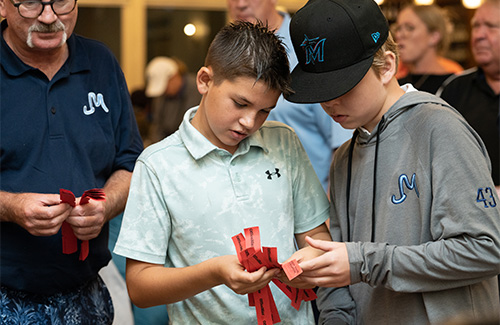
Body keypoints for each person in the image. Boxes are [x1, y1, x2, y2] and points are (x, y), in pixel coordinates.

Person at [282, 0, 500, 323]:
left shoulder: (439, 129)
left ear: (387, 67)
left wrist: (366, 261)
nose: (329, 102)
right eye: (321, 90)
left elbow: (485, 250)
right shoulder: (343, 157)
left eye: (343, 86)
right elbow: (340, 277)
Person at [113, 21, 332, 324]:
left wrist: (311, 262)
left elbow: (317, 236)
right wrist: (213, 273)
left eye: (264, 111)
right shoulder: (158, 165)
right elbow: (140, 287)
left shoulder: (284, 142)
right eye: (240, 103)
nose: (249, 122)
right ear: (205, 80)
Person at [0, 0, 143, 323]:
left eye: (62, 2)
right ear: (3, 5)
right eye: (31, 4)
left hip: (85, 294)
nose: (49, 17)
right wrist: (11, 207)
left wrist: (105, 205)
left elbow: (131, 163)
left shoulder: (100, 62)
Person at [226, 0, 353, 192]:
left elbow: (343, 144)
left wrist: (330, 212)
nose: (241, 4)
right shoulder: (229, 55)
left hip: (309, 206)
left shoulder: (311, 49)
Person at [437, 0, 500, 295]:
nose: (479, 35)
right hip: (470, 233)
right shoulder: (453, 89)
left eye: (491, 27)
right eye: (476, 26)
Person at [395, 4, 463, 94]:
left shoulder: (454, 85)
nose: (399, 35)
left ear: (434, 37)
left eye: (410, 28)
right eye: (398, 28)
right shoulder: (396, 84)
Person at [145, 56, 202, 145]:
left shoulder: (197, 89)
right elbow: (157, 125)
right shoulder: (162, 95)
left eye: (165, 86)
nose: (163, 92)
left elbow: (191, 127)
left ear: (174, 76)